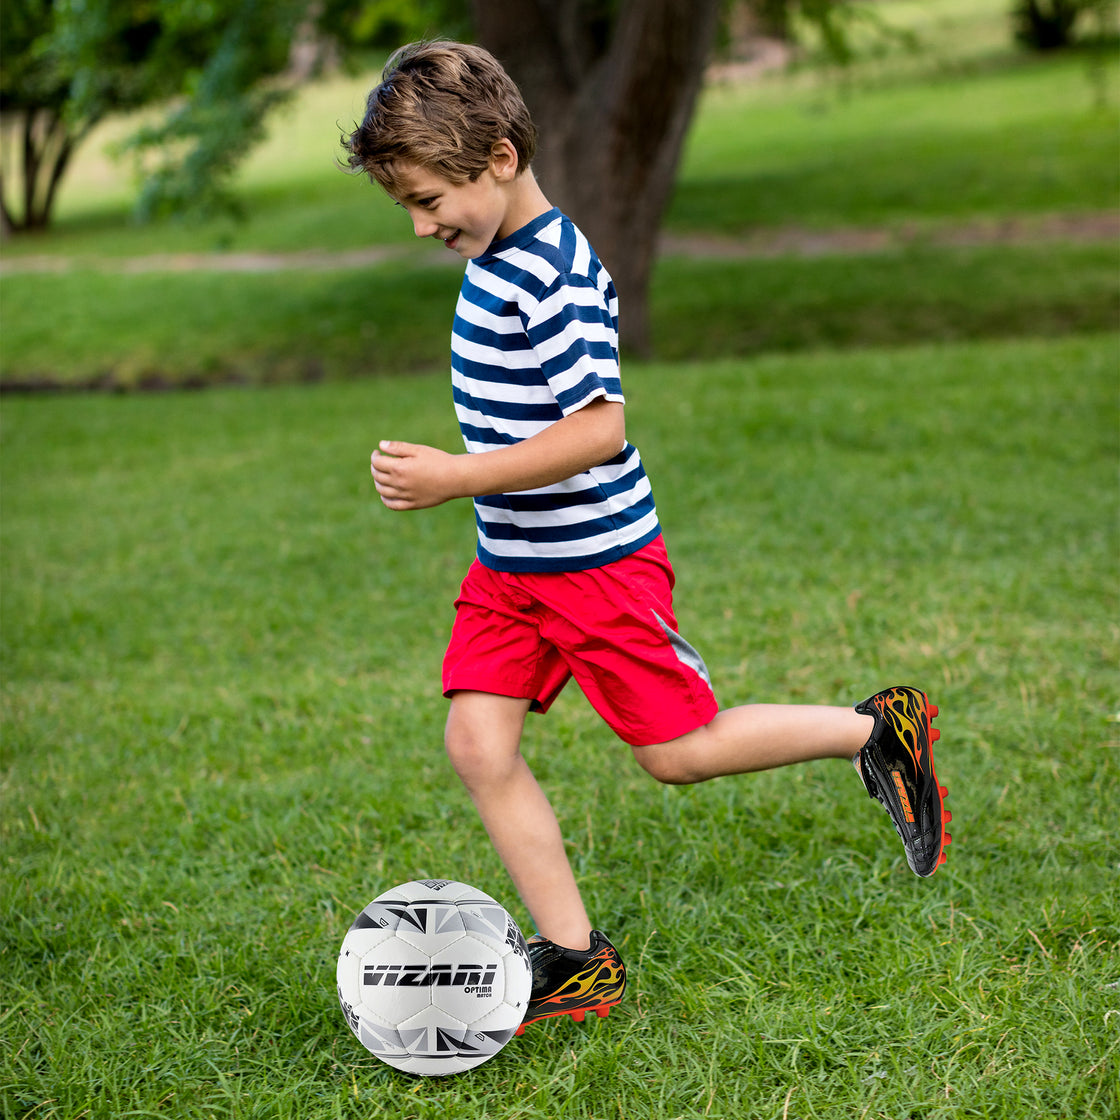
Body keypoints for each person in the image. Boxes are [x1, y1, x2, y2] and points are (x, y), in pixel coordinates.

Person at [343, 40, 951, 1033]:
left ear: (497, 157)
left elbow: (598, 430)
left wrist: (456, 475)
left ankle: (877, 730)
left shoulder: (556, 274)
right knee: (476, 742)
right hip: (513, 566)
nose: (419, 225)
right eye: (405, 206)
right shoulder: (493, 253)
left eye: (426, 198)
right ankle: (577, 959)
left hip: (595, 565)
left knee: (675, 753)